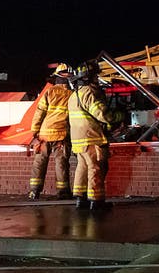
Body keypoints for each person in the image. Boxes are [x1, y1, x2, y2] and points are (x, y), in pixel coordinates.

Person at [68, 60, 123, 210]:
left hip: (78, 140)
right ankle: (96, 201)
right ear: (89, 77)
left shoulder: (74, 96)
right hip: (92, 138)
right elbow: (102, 114)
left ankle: (81, 199)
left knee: (82, 167)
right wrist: (118, 116)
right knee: (96, 168)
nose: (96, 79)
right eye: (94, 77)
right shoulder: (89, 93)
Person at [28, 63, 73, 200]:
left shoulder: (49, 92)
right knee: (61, 164)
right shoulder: (72, 95)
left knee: (39, 163)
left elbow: (39, 113)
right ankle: (63, 192)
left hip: (44, 135)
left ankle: (34, 192)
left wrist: (35, 132)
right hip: (61, 136)